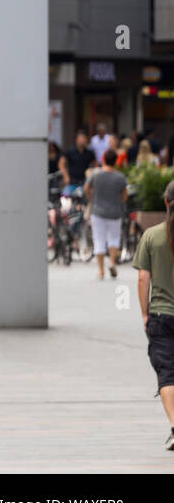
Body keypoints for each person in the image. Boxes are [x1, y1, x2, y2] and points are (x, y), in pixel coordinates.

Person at [135, 179, 174, 451]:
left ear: (165, 202)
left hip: (161, 315)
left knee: (167, 374)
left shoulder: (151, 235)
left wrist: (145, 315)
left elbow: (142, 279)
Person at [85, 148, 127, 281]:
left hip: (98, 211)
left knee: (99, 240)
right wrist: (118, 201)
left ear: (103, 159)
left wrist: (91, 198)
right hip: (115, 212)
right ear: (115, 161)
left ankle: (101, 270)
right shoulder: (120, 177)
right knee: (114, 238)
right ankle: (113, 262)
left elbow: (86, 187)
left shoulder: (95, 174)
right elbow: (125, 195)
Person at [60, 130, 92, 194]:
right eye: (81, 138)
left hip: (84, 182)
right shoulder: (69, 151)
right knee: (65, 198)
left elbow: (95, 165)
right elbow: (61, 163)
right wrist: (65, 176)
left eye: (84, 138)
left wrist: (90, 175)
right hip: (71, 181)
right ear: (76, 140)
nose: (82, 140)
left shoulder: (89, 153)